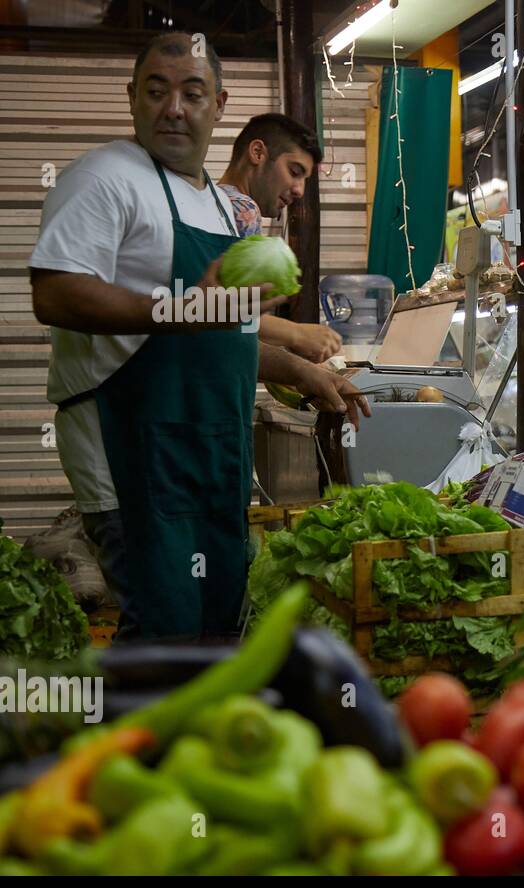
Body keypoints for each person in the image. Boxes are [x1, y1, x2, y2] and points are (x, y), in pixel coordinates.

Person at [28, 32, 371, 640]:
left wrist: (307, 374)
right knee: (163, 627)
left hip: (212, 455)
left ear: (219, 103)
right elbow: (54, 294)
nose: (174, 107)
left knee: (217, 623)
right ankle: (138, 735)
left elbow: (226, 335)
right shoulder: (103, 177)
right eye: (156, 91)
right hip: (133, 445)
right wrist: (180, 309)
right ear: (132, 97)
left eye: (192, 92)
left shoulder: (218, 207)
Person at [220, 112, 341, 363]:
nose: (299, 190)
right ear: (257, 153)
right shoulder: (243, 209)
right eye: (294, 171)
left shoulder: (212, 200)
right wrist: (296, 334)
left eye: (304, 179)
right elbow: (229, 314)